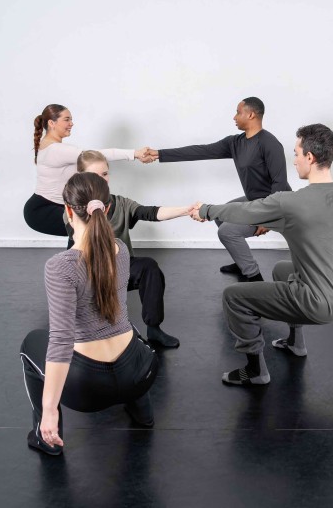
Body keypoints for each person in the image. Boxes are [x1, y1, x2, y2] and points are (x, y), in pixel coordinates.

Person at [191, 124, 333, 386]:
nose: (294, 160)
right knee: (282, 271)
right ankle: (296, 344)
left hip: (316, 303)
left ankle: (254, 371)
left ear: (310, 157)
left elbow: (244, 211)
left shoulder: (290, 202)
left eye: (297, 153)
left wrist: (206, 210)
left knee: (233, 297)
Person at [20, 172, 159, 456]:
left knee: (32, 342)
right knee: (124, 324)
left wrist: (50, 412)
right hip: (141, 373)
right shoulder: (119, 249)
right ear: (107, 209)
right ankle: (143, 412)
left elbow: (61, 341)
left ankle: (46, 436)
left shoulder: (61, 266)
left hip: (89, 391)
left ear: (68, 211)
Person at [148, 97, 291, 282]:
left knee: (226, 232)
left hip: (277, 204)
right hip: (254, 200)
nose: (234, 117)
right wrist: (159, 154)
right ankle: (242, 264)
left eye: (238, 112)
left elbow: (280, 184)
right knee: (220, 215)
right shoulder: (235, 143)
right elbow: (200, 151)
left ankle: (254, 277)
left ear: (251, 114)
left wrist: (267, 218)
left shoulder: (269, 143)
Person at [74, 150, 200, 347]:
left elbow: (151, 213)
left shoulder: (121, 203)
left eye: (105, 174)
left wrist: (186, 210)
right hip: (92, 272)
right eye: (95, 176)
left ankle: (154, 329)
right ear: (81, 178)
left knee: (149, 267)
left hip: (120, 267)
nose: (102, 180)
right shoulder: (74, 208)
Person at [24, 104, 154, 236]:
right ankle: (79, 257)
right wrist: (135, 153)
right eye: (67, 119)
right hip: (45, 210)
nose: (71, 123)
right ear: (52, 123)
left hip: (50, 207)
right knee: (87, 228)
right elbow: (97, 156)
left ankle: (82, 256)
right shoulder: (56, 150)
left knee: (86, 229)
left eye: (71, 119)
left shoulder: (49, 145)